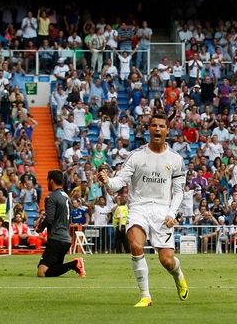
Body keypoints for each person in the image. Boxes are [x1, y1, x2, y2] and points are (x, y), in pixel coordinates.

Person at [98, 113, 188, 308]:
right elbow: (117, 183)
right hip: (138, 208)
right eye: (154, 126)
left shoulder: (175, 159)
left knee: (167, 261)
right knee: (136, 246)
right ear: (149, 129)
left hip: (162, 211)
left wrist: (172, 214)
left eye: (161, 126)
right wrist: (107, 181)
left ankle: (178, 274)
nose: (157, 129)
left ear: (167, 130)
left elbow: (179, 192)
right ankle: (145, 296)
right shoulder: (136, 156)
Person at [36, 170, 86, 278]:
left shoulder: (51, 197)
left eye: (48, 180)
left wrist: (40, 227)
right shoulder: (66, 197)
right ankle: (74, 265)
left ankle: (75, 264)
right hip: (65, 239)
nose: (47, 183)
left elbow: (49, 219)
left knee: (42, 272)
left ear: (52, 181)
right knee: (52, 270)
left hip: (56, 239)